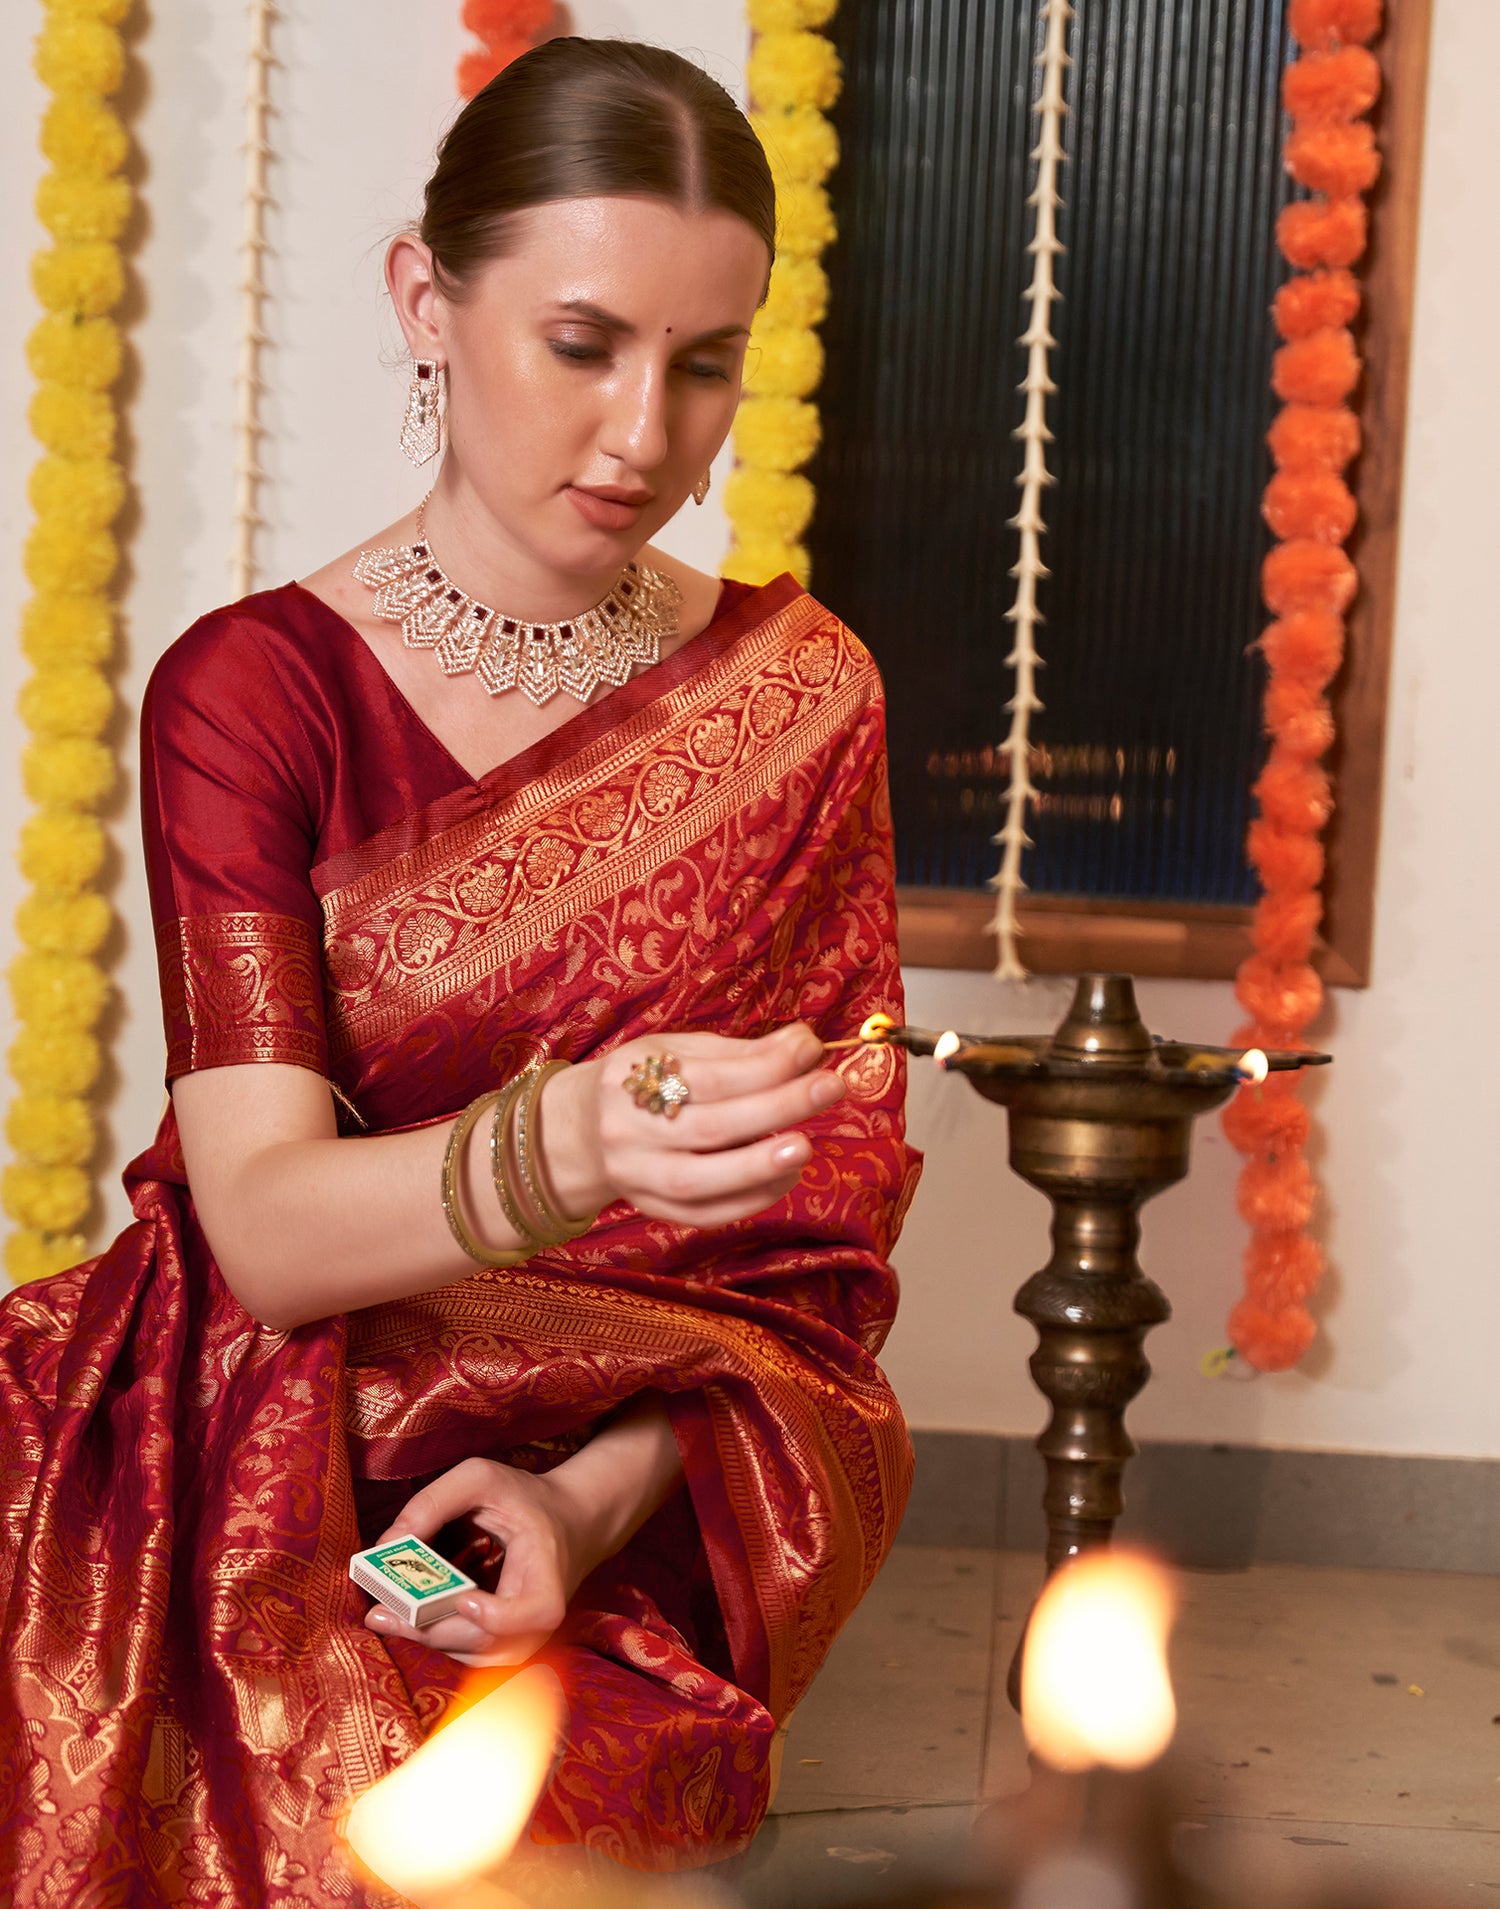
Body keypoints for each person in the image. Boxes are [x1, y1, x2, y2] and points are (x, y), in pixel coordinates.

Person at [0, 37, 918, 1903]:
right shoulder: (252, 694)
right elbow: (259, 1227)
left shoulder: (797, 702)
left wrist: (581, 1505)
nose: (644, 434)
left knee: (518, 1803)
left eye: (706, 360)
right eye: (582, 343)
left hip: (606, 1477)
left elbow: (808, 1275)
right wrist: (571, 1142)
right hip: (245, 1417)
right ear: (428, 298)